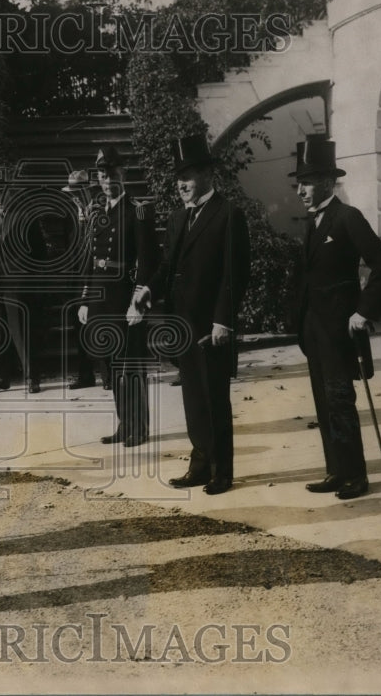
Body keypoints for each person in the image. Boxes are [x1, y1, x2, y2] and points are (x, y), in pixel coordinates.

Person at [134, 134, 250, 494]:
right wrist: (149, 289)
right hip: (182, 323)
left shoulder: (228, 214)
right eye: (178, 179)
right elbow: (167, 266)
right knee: (194, 400)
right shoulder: (177, 218)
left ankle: (221, 472)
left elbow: (235, 274)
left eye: (187, 177)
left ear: (207, 175)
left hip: (211, 326)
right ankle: (199, 465)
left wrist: (223, 321)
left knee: (215, 399)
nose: (181, 185)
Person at [291, 137, 381, 500]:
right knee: (324, 402)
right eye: (298, 183)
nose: (300, 190)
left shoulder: (348, 217)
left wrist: (364, 311)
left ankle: (356, 476)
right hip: (314, 329)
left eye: (306, 183)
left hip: (338, 330)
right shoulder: (312, 222)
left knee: (339, 400)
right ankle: (336, 469)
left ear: (326, 182)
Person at [78, 148, 157, 445]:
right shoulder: (97, 213)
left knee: (131, 365)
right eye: (102, 175)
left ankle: (140, 427)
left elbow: (147, 261)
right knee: (111, 365)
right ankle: (125, 424)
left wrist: (138, 301)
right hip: (101, 298)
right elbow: (91, 259)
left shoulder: (137, 211)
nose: (108, 180)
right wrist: (85, 299)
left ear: (123, 174)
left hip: (125, 298)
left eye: (112, 174)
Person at [0, 170, 48, 394]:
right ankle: (0, 378)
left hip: (17, 282)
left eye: (0, 192)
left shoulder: (24, 215)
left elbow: (39, 251)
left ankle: (31, 377)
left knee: (22, 331)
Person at [61, 169, 105, 390]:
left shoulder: (99, 212)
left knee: (98, 323)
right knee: (79, 328)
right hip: (76, 278)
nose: (75, 197)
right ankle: (85, 375)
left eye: (78, 193)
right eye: (72, 194)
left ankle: (107, 374)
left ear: (88, 191)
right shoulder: (73, 214)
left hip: (95, 275)